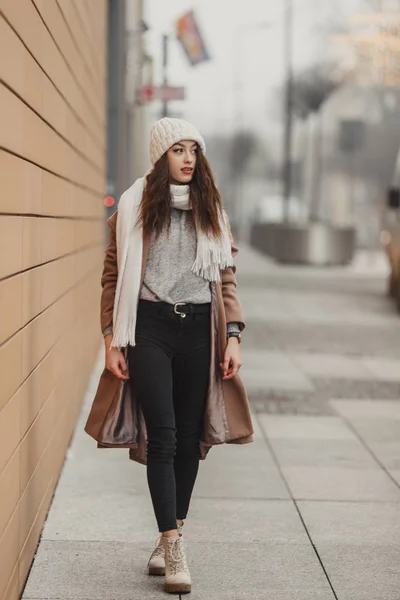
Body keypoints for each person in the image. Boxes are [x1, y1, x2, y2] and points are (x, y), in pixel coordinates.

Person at [84, 117, 254, 595]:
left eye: (193, 151)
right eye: (178, 150)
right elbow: (112, 278)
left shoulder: (211, 209)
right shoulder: (134, 208)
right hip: (148, 328)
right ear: (161, 157)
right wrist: (110, 338)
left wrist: (234, 334)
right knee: (162, 434)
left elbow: (225, 276)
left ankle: (170, 527)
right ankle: (173, 543)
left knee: (188, 435)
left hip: (201, 328)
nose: (187, 159)